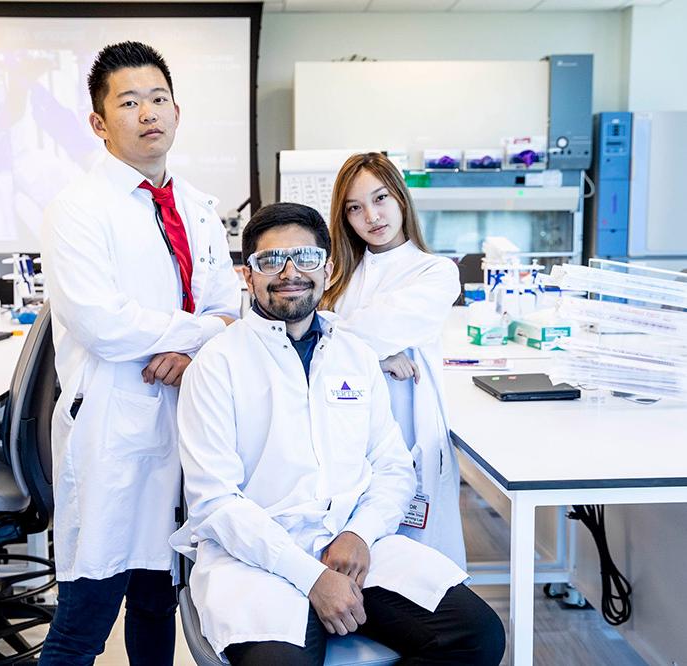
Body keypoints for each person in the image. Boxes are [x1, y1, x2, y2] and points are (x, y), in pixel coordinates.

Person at [172, 203, 505, 666]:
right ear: (247, 277)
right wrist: (310, 577)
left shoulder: (355, 354)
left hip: (353, 548)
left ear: (327, 269)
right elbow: (215, 502)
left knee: (477, 636)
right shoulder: (217, 364)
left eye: (306, 258)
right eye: (271, 262)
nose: (290, 272)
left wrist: (360, 534)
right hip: (256, 559)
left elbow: (391, 466)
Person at [39, 41, 241, 665]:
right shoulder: (78, 209)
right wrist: (198, 331)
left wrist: (192, 347)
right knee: (86, 615)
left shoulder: (198, 209)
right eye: (129, 102)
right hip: (114, 430)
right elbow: (103, 324)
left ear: (177, 111)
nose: (148, 112)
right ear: (100, 123)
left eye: (158, 99)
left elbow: (229, 308)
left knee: (159, 606)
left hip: (188, 427)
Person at [320, 152, 466, 568]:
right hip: (345, 435)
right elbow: (308, 336)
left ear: (401, 198)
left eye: (380, 198)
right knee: (349, 557)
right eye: (355, 207)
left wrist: (351, 339)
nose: (372, 215)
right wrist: (377, 356)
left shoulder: (435, 272)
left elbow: (342, 331)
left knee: (418, 568)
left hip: (409, 435)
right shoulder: (337, 278)